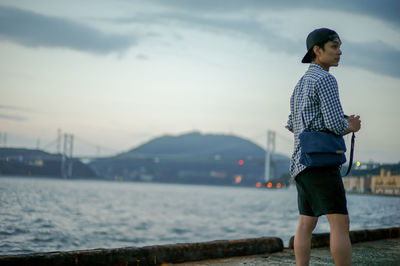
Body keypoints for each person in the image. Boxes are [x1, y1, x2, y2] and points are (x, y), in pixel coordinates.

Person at [285, 28, 361, 266]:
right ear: (317, 51)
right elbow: (335, 125)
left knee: (306, 223)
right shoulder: (325, 79)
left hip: (300, 164)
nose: (340, 52)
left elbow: (291, 125)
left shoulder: (300, 83)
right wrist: (351, 125)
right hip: (320, 164)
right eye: (334, 46)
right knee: (340, 223)